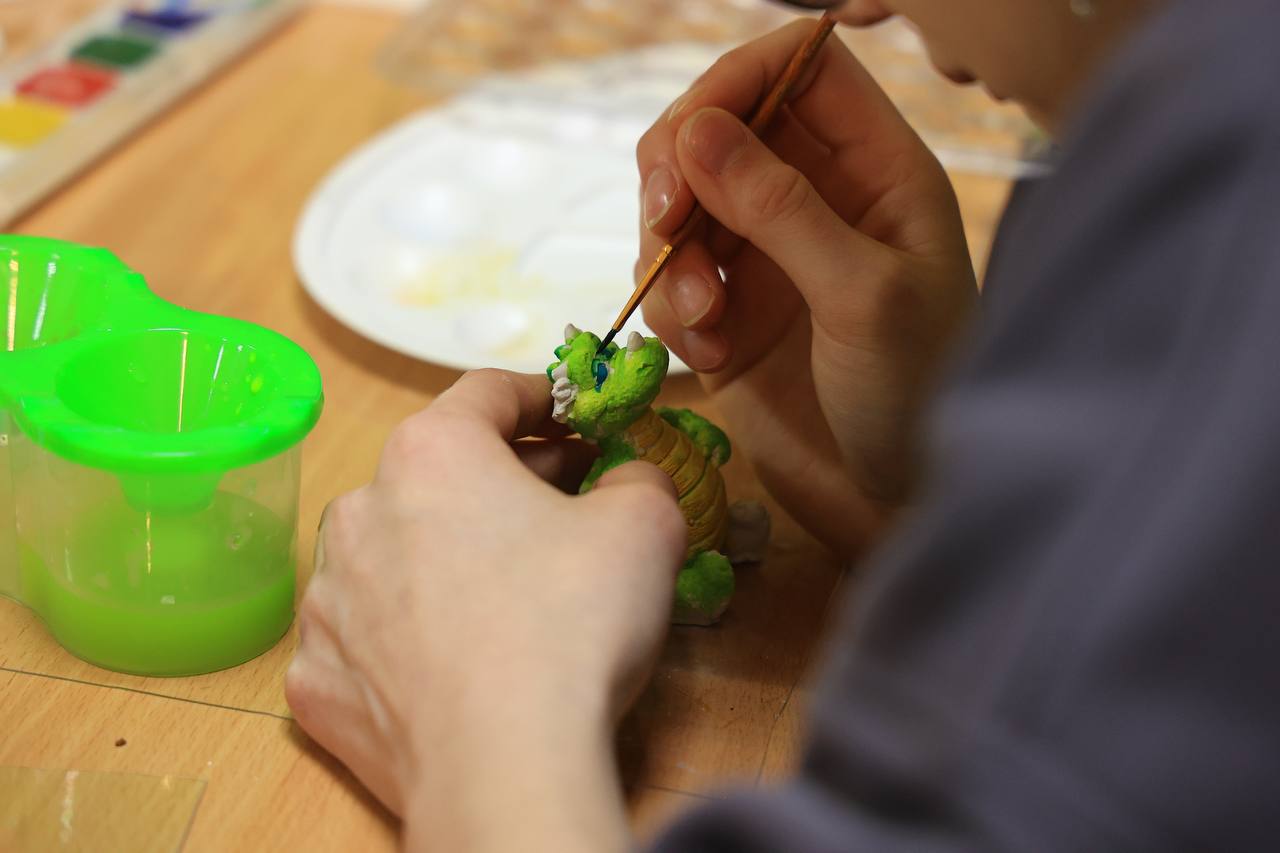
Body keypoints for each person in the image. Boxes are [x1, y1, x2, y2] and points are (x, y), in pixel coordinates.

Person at [285, 0, 1280, 848]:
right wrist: (926, 502)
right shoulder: (1161, 129)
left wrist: (479, 731)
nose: (858, 10)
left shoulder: (1234, 175)